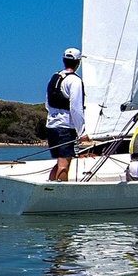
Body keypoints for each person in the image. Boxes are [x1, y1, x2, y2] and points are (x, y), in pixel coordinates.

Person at [44, 48, 87, 181]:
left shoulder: (55, 77)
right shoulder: (74, 81)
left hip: (51, 126)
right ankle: (60, 195)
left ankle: (50, 188)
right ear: (78, 63)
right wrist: (82, 132)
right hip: (65, 128)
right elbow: (76, 109)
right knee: (64, 164)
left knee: (59, 162)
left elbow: (47, 104)